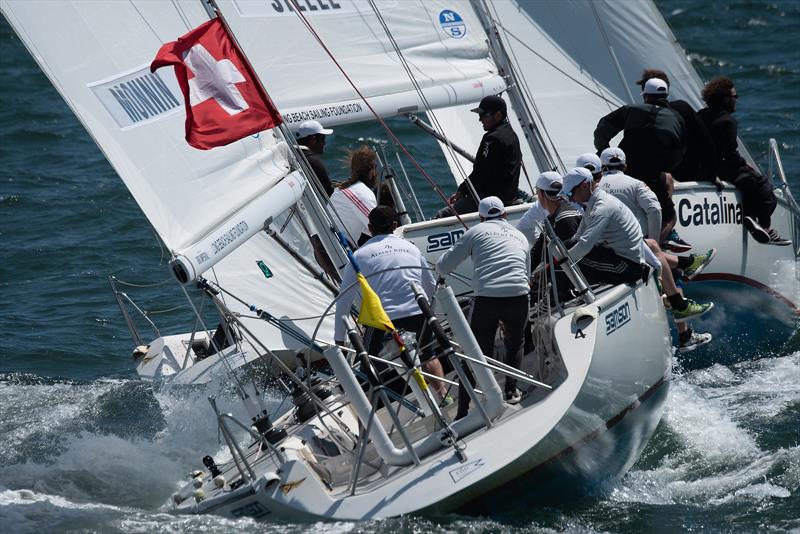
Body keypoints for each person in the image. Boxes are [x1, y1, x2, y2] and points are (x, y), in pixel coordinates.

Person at [560, 167, 713, 322]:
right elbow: (577, 238)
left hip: (628, 268)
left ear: (584, 186)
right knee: (653, 244)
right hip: (635, 255)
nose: (569, 199)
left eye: (569, 194)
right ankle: (681, 293)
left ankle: (560, 296)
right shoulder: (594, 202)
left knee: (568, 260)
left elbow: (584, 246)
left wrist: (554, 265)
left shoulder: (602, 207)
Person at [334, 206, 450, 402]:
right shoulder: (411, 248)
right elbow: (430, 285)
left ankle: (373, 417)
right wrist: (431, 312)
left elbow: (344, 300)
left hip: (384, 320)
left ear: (369, 228)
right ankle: (444, 394)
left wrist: (339, 338)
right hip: (418, 312)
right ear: (395, 225)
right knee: (428, 355)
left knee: (368, 365)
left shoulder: (358, 257)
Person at [436, 196, 531, 415]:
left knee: (475, 353)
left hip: (487, 300)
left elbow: (444, 266)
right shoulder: (519, 235)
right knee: (515, 343)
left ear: (481, 217)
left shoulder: (475, 232)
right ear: (505, 214)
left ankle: (463, 411)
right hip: (518, 297)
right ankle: (511, 391)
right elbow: (525, 276)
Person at [594, 78, 687, 248]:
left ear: (645, 96)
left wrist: (603, 153)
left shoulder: (630, 109)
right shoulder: (677, 118)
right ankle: (654, 250)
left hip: (623, 170)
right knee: (670, 217)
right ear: (666, 95)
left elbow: (602, 129)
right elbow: (678, 155)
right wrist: (662, 168)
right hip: (650, 175)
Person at [698, 76, 790, 246]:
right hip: (721, 169)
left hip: (701, 168)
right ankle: (764, 226)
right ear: (725, 99)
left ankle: (749, 216)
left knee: (748, 182)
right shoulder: (727, 121)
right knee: (764, 188)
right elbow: (730, 154)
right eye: (734, 97)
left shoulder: (701, 115)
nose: (736, 100)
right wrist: (743, 164)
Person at [635, 69, 720, 188]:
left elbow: (706, 141)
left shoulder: (641, 115)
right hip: (685, 175)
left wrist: (712, 175)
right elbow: (707, 142)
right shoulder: (682, 108)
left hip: (675, 176)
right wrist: (712, 175)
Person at [441, 95, 522, 216]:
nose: (480, 119)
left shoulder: (492, 139)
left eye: (484, 115)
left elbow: (481, 173)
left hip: (491, 202)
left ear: (498, 115)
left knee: (444, 214)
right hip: (508, 198)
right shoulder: (512, 135)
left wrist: (461, 191)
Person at [329, 146, 378, 247]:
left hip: (328, 244)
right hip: (338, 247)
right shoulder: (362, 193)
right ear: (372, 169)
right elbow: (379, 228)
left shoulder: (341, 189)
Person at [295, 119, 335, 197]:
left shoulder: (291, 154)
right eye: (322, 138)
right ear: (313, 140)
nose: (324, 143)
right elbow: (330, 194)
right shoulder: (314, 162)